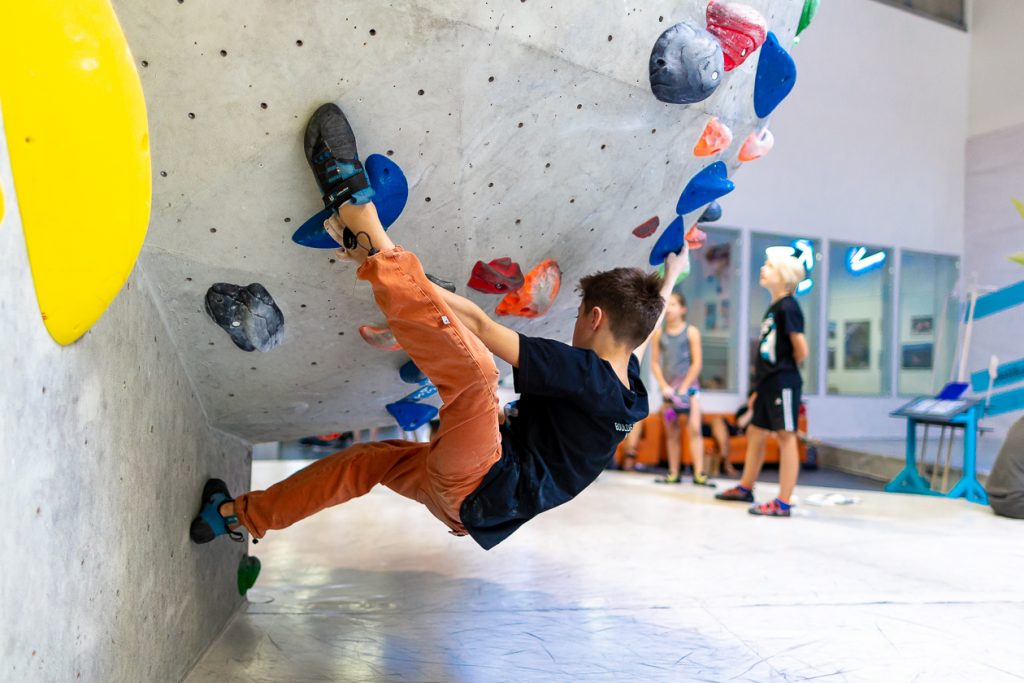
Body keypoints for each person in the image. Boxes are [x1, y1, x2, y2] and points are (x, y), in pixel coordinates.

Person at [189, 101, 689, 552]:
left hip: (482, 478)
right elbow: (650, 317)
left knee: (477, 378)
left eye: (580, 317)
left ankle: (360, 219)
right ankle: (234, 515)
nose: (576, 328)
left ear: (595, 318)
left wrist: (401, 270)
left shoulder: (586, 373)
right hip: (471, 507)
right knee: (363, 463)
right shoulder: (631, 395)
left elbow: (478, 321)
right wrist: (671, 276)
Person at [715, 252, 807, 516]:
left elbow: (801, 350)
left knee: (786, 436)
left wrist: (783, 372)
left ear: (784, 276)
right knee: (756, 432)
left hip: (783, 382)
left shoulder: (789, 306)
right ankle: (745, 486)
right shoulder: (774, 307)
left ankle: (784, 502)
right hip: (767, 383)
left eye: (769, 266)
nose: (763, 268)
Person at [651, 293, 714, 486]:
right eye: (667, 305)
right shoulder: (660, 334)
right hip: (670, 394)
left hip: (690, 391)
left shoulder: (691, 332)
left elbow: (697, 363)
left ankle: (699, 473)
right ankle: (673, 472)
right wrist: (664, 386)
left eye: (674, 304)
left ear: (683, 309)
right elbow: (654, 363)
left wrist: (684, 387)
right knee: (672, 430)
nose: (669, 308)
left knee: (694, 428)